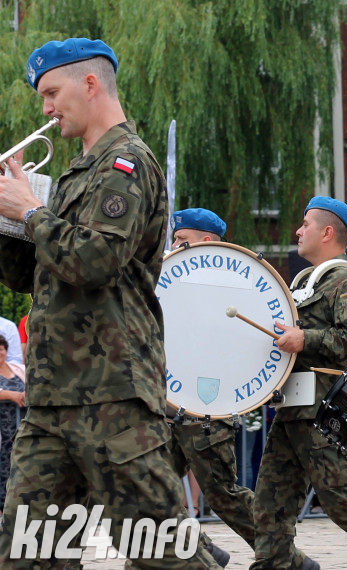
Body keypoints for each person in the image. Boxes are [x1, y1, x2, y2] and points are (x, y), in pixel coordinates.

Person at [0, 37, 221, 568]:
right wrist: (9, 222)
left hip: (111, 395)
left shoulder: (127, 164)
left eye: (52, 93)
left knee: (160, 552)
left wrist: (31, 212)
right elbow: (34, 277)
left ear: (91, 84)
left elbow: (94, 262)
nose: (46, 109)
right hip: (54, 397)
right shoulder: (78, 173)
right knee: (27, 553)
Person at [251, 196, 347, 569]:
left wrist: (307, 339)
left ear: (327, 232)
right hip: (293, 408)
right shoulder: (304, 281)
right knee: (269, 504)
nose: (298, 231)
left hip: (325, 410)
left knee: (344, 502)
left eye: (305, 224)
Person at [163, 208, 254, 566]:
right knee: (153, 488)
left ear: (208, 244)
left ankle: (285, 555)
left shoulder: (235, 288)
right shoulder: (175, 284)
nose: (173, 246)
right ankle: (200, 546)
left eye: (182, 240)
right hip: (171, 407)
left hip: (207, 407)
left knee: (223, 494)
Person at [0, 335, 26, 512]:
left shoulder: (18, 368)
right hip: (3, 432)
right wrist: (13, 395)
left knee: (21, 469)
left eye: (1, 349)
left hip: (21, 430)